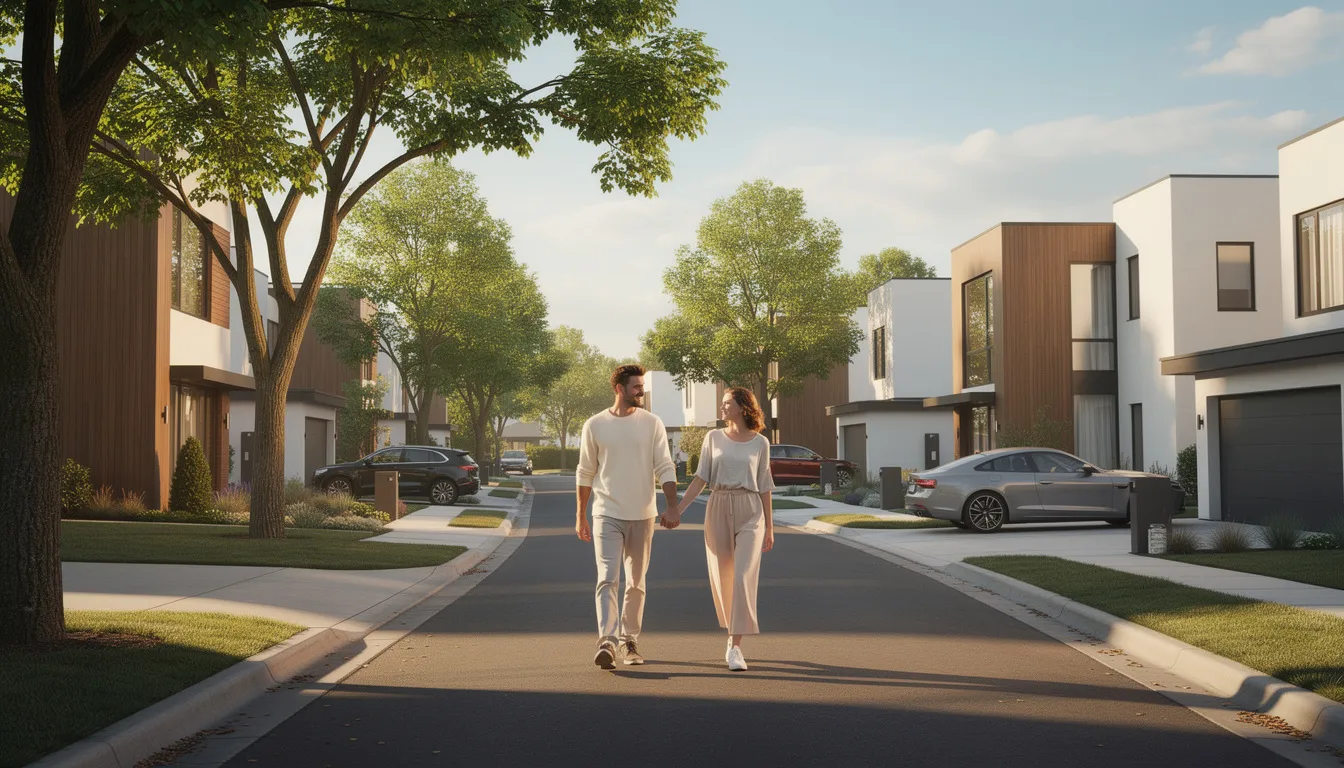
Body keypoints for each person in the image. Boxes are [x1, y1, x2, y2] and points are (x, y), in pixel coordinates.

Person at [576, 364, 680, 669]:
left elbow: (664, 465)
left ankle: (629, 639)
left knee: (636, 582)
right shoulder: (594, 425)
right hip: (606, 512)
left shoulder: (652, 423)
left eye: (643, 386)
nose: (642, 391)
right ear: (619, 389)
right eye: (636, 386)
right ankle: (607, 641)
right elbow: (585, 472)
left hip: (643, 514)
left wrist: (671, 505)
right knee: (607, 577)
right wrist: (580, 515)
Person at [665, 386, 774, 671]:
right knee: (724, 576)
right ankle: (732, 635)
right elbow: (701, 478)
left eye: (727, 403)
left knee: (741, 577)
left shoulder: (760, 442)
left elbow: (765, 485)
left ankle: (735, 646)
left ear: (742, 406)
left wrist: (770, 527)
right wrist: (678, 509)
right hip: (718, 505)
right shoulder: (712, 438)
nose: (722, 407)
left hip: (750, 510)